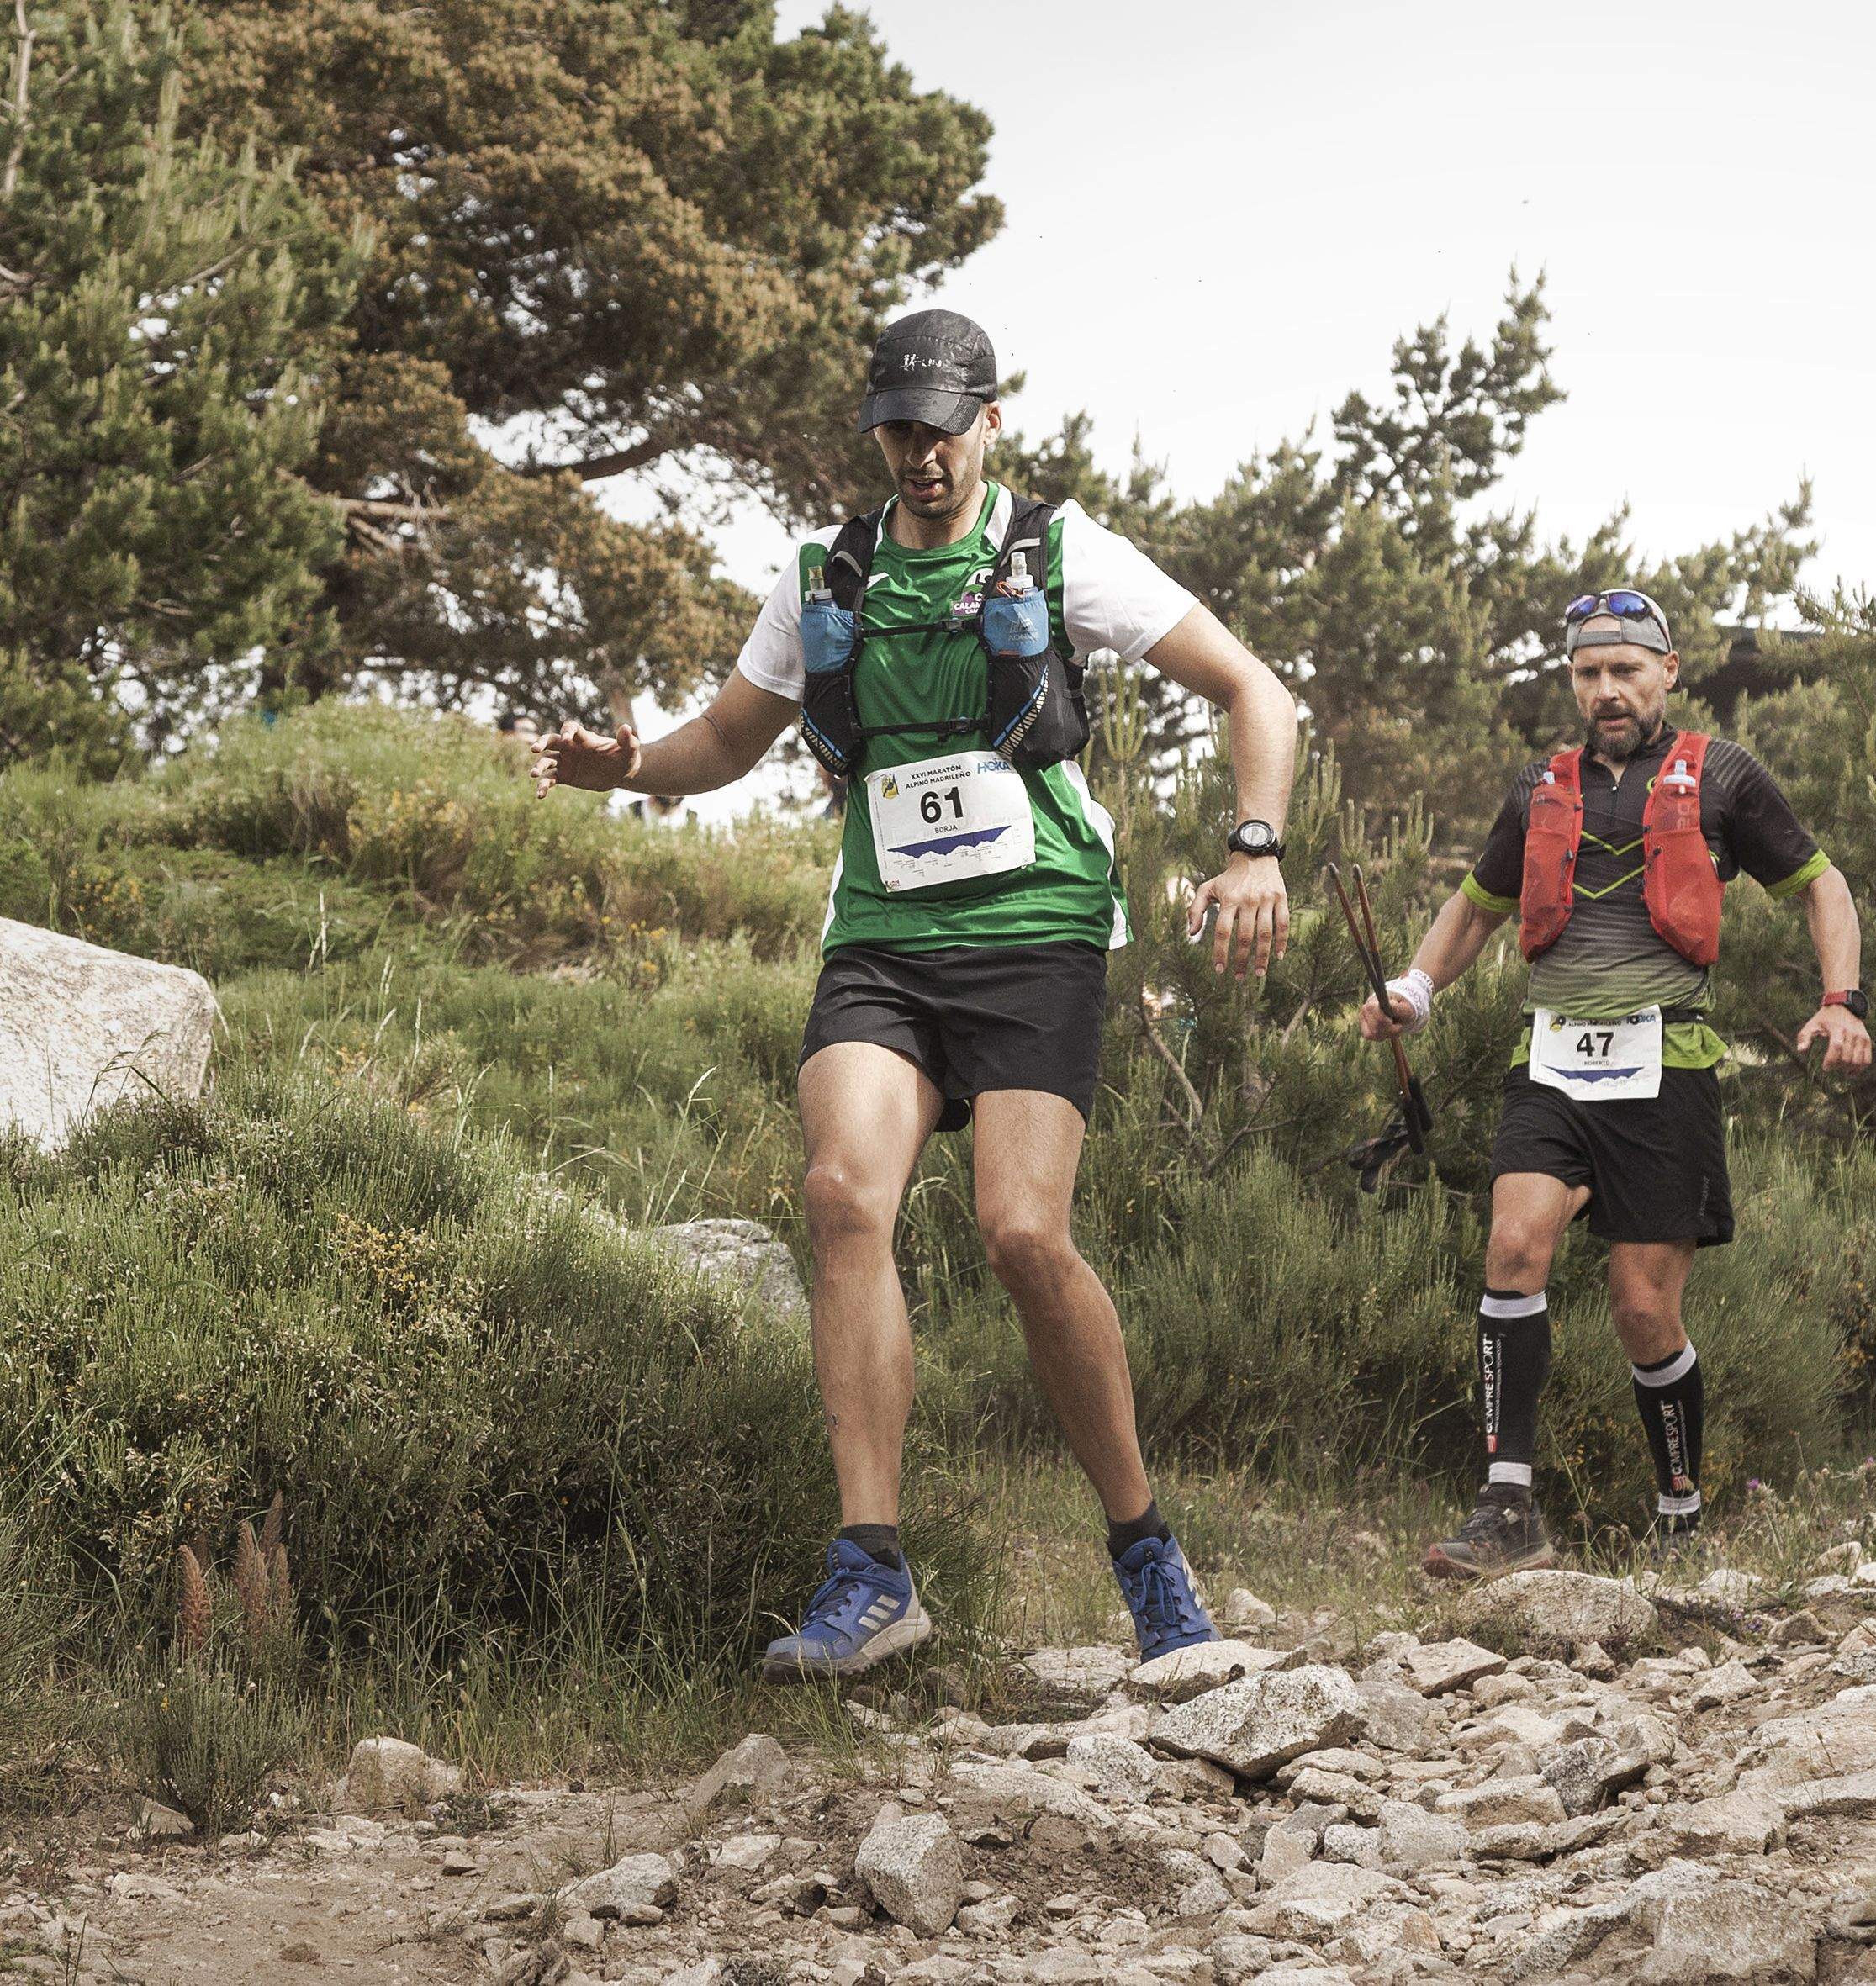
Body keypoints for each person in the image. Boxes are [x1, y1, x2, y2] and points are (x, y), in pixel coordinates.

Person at [531, 309, 1300, 1677]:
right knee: (841, 1195)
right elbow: (724, 738)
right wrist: (624, 765)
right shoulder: (824, 575)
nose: (919, 451)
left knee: (1019, 1234)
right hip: (883, 934)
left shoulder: (1060, 553)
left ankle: (1144, 1552)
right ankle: (871, 1568)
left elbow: (1254, 689)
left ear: (989, 421)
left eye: (942, 425)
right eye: (896, 426)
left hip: (1036, 928)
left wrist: (1253, 845)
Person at [1359, 589, 1871, 1577]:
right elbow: (1475, 908)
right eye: (1589, 673)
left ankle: (1680, 1507)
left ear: (1667, 671)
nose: (1607, 690)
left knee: (1642, 1308)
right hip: (1548, 1059)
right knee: (1514, 1244)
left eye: (1626, 669)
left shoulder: (1721, 776)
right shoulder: (1539, 786)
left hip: (1664, 1065)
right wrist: (1415, 988)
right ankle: (1508, 1510)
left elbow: (1824, 885)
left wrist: (1840, 999)